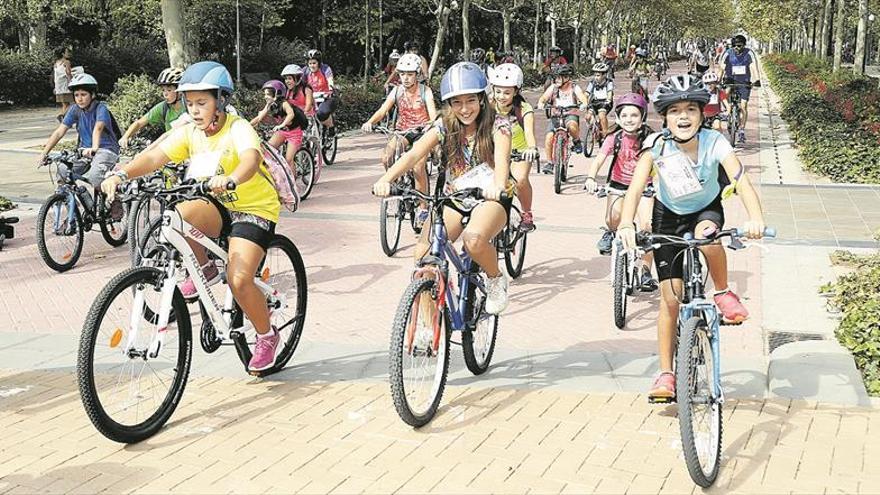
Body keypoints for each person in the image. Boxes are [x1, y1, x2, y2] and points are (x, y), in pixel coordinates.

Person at [101, 61, 283, 372]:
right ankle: (205, 269)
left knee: (239, 281)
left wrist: (233, 179)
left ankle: (267, 336)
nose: (195, 110)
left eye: (202, 102)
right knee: (177, 215)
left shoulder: (238, 128)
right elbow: (155, 156)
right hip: (219, 205)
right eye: (190, 103)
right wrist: (120, 173)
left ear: (220, 100)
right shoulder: (191, 133)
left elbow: (251, 160)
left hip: (253, 208)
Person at [616, 75, 767, 400]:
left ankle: (723, 292)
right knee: (670, 301)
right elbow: (635, 188)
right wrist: (627, 224)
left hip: (705, 211)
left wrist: (756, 218)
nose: (683, 117)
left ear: (702, 114)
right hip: (666, 217)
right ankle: (666, 374)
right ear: (665, 117)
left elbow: (742, 181)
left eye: (690, 110)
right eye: (674, 111)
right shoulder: (656, 146)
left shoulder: (716, 142)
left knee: (707, 236)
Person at [372, 62, 513, 314]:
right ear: (449, 104)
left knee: (474, 240)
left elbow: (502, 160)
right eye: (456, 102)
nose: (465, 109)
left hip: (490, 197)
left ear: (482, 98)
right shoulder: (444, 125)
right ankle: (427, 326)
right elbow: (414, 154)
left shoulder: (498, 125)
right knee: (423, 254)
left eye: (471, 100)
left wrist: (498, 186)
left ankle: (495, 278)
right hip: (456, 197)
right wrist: (387, 179)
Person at [583, 93, 658, 290]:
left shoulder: (651, 138)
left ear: (642, 118)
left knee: (647, 226)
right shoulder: (613, 138)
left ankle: (645, 272)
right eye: (624, 115)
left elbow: (661, 163)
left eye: (634, 115)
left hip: (644, 188)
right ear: (617, 118)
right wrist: (591, 178)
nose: (629, 120)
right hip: (617, 185)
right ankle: (610, 232)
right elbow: (599, 159)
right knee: (612, 218)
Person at [361, 53, 438, 222]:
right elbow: (383, 110)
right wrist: (369, 122)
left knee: (418, 167)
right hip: (402, 131)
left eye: (410, 74)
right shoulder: (397, 91)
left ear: (417, 74)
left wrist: (430, 125)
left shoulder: (426, 91)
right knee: (387, 157)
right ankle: (396, 186)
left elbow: (433, 115)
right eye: (402, 74)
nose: (405, 78)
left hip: (421, 132)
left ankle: (423, 207)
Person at [38, 73, 122, 194]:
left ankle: (114, 200)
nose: (79, 99)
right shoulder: (75, 109)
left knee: (95, 177)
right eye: (76, 95)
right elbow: (59, 132)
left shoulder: (100, 108)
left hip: (106, 150)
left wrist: (94, 148)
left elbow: (98, 128)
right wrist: (44, 153)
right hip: (84, 151)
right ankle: (70, 202)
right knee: (63, 170)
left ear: (92, 95)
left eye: (83, 95)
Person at [490, 63, 539, 232]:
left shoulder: (524, 109)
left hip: (520, 153)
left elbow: (530, 135)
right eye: (497, 91)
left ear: (516, 91)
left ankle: (526, 213)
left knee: (520, 180)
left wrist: (531, 148)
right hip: (495, 153)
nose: (501, 96)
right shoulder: (487, 106)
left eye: (507, 92)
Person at [536, 64, 590, 171]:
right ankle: (550, 163)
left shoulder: (575, 87)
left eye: (559, 77)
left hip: (570, 114)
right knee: (549, 138)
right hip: (556, 116)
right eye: (555, 77)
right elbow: (543, 98)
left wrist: (584, 104)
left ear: (566, 77)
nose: (556, 80)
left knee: (573, 126)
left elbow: (583, 99)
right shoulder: (553, 88)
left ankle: (576, 141)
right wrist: (541, 103)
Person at [119, 68, 186, 149]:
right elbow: (139, 123)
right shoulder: (164, 107)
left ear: (180, 90)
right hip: (173, 151)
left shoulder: (189, 107)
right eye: (163, 90)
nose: (165, 94)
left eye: (169, 90)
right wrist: (125, 137)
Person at [250, 79, 309, 166]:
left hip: (294, 133)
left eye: (268, 94)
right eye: (265, 94)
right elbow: (259, 118)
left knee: (288, 159)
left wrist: (282, 125)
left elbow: (290, 114)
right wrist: (247, 126)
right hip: (282, 132)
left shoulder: (284, 103)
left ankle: (291, 179)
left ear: (277, 93)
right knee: (267, 151)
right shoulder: (270, 105)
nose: (265, 97)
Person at [719, 34, 762, 143]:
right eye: (736, 46)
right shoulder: (728, 53)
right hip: (730, 79)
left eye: (740, 46)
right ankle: (728, 110)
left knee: (744, 106)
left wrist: (757, 80)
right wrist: (718, 81)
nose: (738, 48)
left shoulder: (749, 53)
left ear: (744, 45)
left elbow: (753, 66)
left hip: (744, 81)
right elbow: (722, 67)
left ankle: (742, 130)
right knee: (725, 93)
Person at [281, 63, 314, 156]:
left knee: (304, 138)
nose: (287, 81)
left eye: (290, 78)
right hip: (293, 118)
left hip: (306, 118)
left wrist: (301, 115)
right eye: (286, 78)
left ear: (298, 78)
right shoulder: (288, 91)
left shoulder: (306, 89)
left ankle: (308, 155)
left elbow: (308, 105)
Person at [305, 49, 338, 136]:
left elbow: (330, 79)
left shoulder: (325, 69)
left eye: (314, 63)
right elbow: (301, 83)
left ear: (319, 63)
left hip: (325, 97)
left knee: (322, 113)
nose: (312, 66)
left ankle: (331, 127)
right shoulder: (305, 71)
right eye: (310, 63)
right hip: (312, 97)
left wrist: (331, 90)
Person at [585, 62, 614, 138]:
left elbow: (609, 93)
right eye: (594, 75)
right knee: (587, 117)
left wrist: (608, 99)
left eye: (598, 75)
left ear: (604, 75)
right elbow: (587, 93)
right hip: (594, 102)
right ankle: (593, 129)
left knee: (601, 116)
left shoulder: (609, 82)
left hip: (605, 102)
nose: (596, 77)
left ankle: (605, 135)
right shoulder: (592, 82)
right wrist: (583, 101)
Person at [52, 46, 73, 122]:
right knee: (72, 104)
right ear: (63, 53)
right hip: (65, 85)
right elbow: (68, 73)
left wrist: (55, 87)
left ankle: (65, 120)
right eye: (67, 52)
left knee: (65, 104)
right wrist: (71, 82)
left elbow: (55, 76)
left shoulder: (56, 63)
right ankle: (62, 115)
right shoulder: (66, 62)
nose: (68, 53)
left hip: (58, 85)